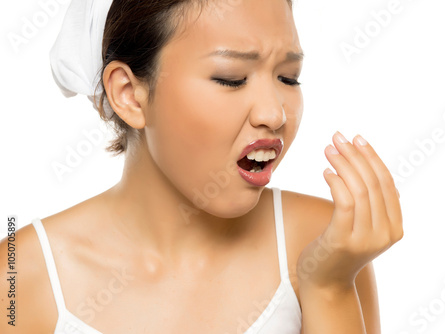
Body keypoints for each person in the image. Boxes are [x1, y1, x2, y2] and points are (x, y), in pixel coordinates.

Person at [0, 0, 403, 333]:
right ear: (129, 94)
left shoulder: (326, 244)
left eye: (288, 77)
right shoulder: (19, 276)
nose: (274, 113)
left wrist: (330, 287)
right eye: (231, 78)